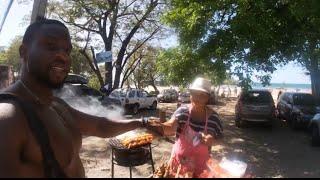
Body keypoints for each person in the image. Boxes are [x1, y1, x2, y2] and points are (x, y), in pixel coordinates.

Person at [0, 19, 149, 178]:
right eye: (51, 46)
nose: (63, 56)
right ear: (24, 52)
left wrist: (143, 122)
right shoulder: (9, 118)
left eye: (67, 50)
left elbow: (99, 126)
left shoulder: (56, 105)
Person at [156, 77, 223, 177]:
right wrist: (152, 125)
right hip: (178, 169)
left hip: (201, 171)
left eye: (202, 95)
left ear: (208, 98)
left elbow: (221, 139)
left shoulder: (214, 118)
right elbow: (169, 128)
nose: (197, 97)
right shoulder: (182, 112)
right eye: (194, 93)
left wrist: (212, 141)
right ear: (190, 94)